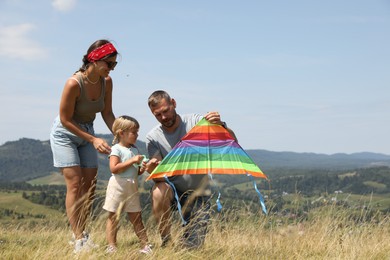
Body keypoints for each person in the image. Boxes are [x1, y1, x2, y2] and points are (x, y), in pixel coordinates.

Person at [49, 39, 118, 253]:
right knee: (75, 183)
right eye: (109, 63)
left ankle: (83, 233)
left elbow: (107, 113)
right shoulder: (73, 83)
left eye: (114, 65)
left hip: (87, 131)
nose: (111, 68)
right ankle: (78, 239)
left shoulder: (107, 82)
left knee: (89, 187)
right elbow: (65, 119)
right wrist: (93, 139)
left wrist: (120, 134)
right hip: (65, 134)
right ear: (95, 60)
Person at [145, 90, 236, 249]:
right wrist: (152, 170)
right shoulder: (153, 137)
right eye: (158, 115)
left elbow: (232, 142)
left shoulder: (196, 122)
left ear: (174, 103)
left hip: (198, 194)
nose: (164, 117)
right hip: (172, 192)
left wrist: (221, 125)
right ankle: (166, 241)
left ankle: (185, 243)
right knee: (158, 190)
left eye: (166, 111)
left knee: (191, 250)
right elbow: (159, 178)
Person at [103, 116, 152, 254]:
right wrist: (132, 161)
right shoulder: (116, 149)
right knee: (113, 217)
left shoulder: (135, 150)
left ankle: (145, 245)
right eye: (134, 132)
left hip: (131, 186)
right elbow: (114, 168)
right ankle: (112, 246)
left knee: (137, 217)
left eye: (137, 132)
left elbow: (135, 173)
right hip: (117, 186)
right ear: (121, 133)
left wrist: (143, 167)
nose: (137, 135)